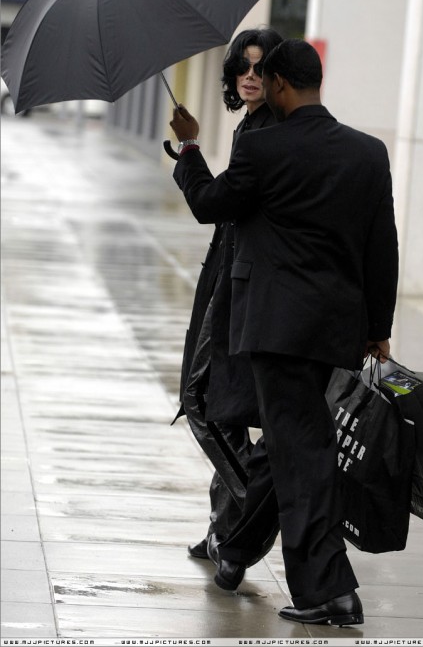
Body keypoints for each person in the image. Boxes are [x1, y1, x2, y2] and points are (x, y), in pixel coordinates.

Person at [169, 39, 399, 626]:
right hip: (335, 330)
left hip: (276, 328)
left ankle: (328, 590)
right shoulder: (368, 153)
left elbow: (210, 204)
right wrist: (379, 328)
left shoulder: (264, 147)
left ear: (277, 85)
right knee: (299, 447)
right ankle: (244, 547)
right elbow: (382, 248)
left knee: (301, 458)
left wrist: (191, 147)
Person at [168, 28, 283, 560]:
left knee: (202, 401)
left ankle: (248, 517)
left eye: (262, 67)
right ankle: (225, 524)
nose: (251, 75)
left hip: (245, 284)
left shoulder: (265, 132)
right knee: (223, 405)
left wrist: (190, 148)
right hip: (231, 276)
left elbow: (214, 202)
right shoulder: (253, 126)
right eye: (244, 65)